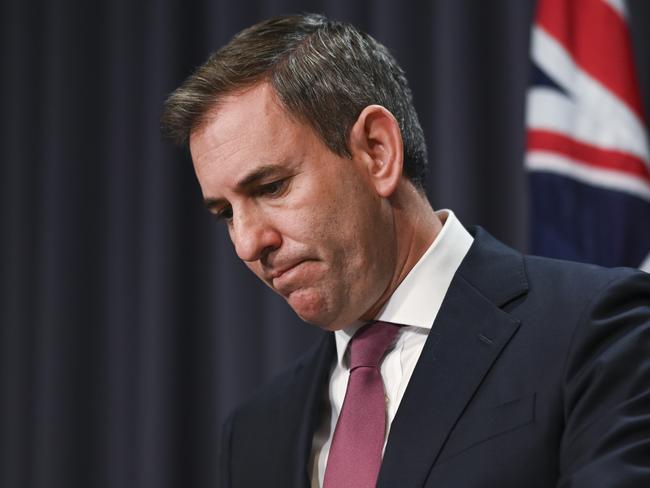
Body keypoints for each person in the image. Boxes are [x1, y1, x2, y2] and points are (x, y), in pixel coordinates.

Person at [161, 13, 650, 488]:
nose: (248, 243)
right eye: (226, 214)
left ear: (377, 152)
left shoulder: (598, 328)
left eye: (271, 187)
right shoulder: (255, 431)